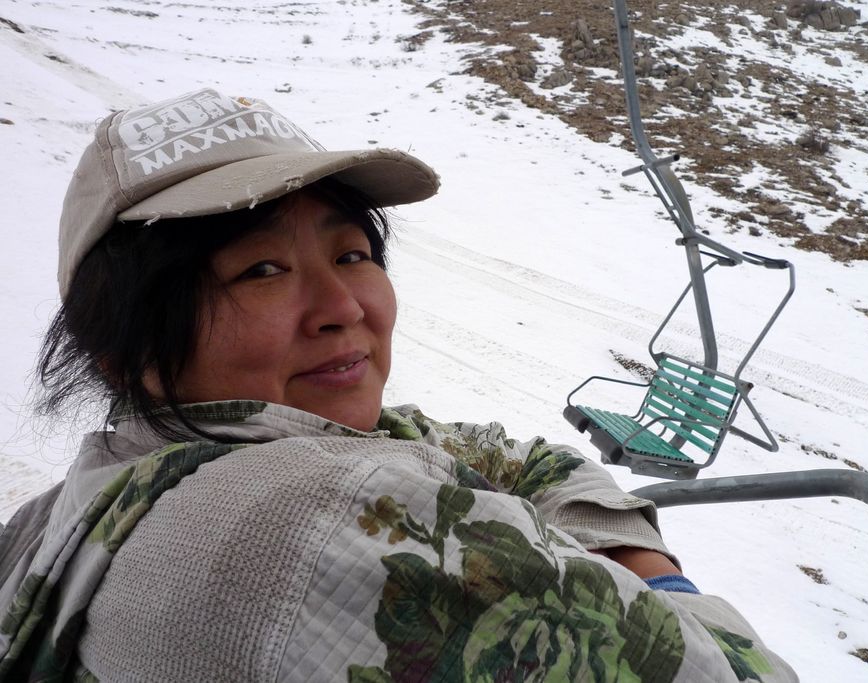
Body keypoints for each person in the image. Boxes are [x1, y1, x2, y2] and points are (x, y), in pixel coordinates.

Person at [0, 89, 796, 682]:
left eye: (351, 254)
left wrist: (605, 535)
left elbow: (507, 454)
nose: (345, 308)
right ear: (122, 349)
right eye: (262, 269)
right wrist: (656, 576)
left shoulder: (93, 493)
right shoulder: (329, 518)